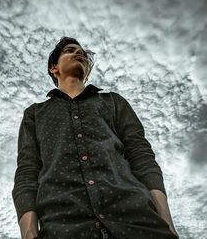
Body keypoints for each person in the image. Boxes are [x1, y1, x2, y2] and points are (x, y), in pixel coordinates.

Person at [12, 36, 180, 239]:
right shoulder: (35, 114)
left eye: (82, 52)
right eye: (70, 50)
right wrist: (29, 234)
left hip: (138, 222)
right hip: (62, 227)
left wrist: (166, 223)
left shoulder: (114, 102)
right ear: (53, 67)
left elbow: (142, 157)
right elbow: (27, 172)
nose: (79, 53)